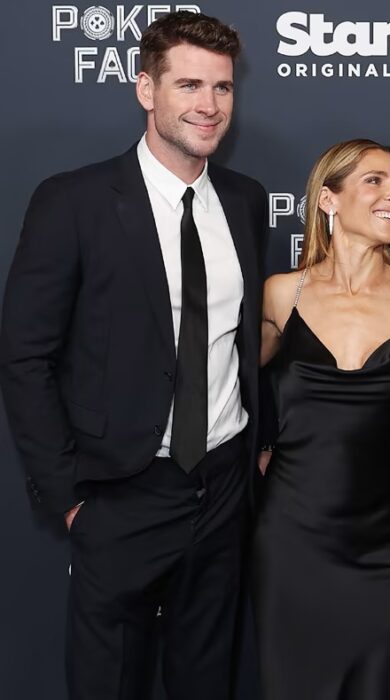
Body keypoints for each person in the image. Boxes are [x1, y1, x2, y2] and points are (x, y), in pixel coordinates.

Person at [0, 11, 265, 700]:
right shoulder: (74, 201)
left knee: (205, 679)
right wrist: (69, 500)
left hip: (223, 483)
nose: (209, 106)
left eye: (222, 88)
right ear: (145, 89)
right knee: (106, 684)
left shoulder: (244, 200)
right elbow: (25, 356)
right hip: (121, 493)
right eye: (187, 85)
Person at [253, 139, 390, 699]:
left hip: (388, 551)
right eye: (375, 181)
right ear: (328, 199)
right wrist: (259, 448)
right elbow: (223, 384)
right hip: (292, 545)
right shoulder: (281, 295)